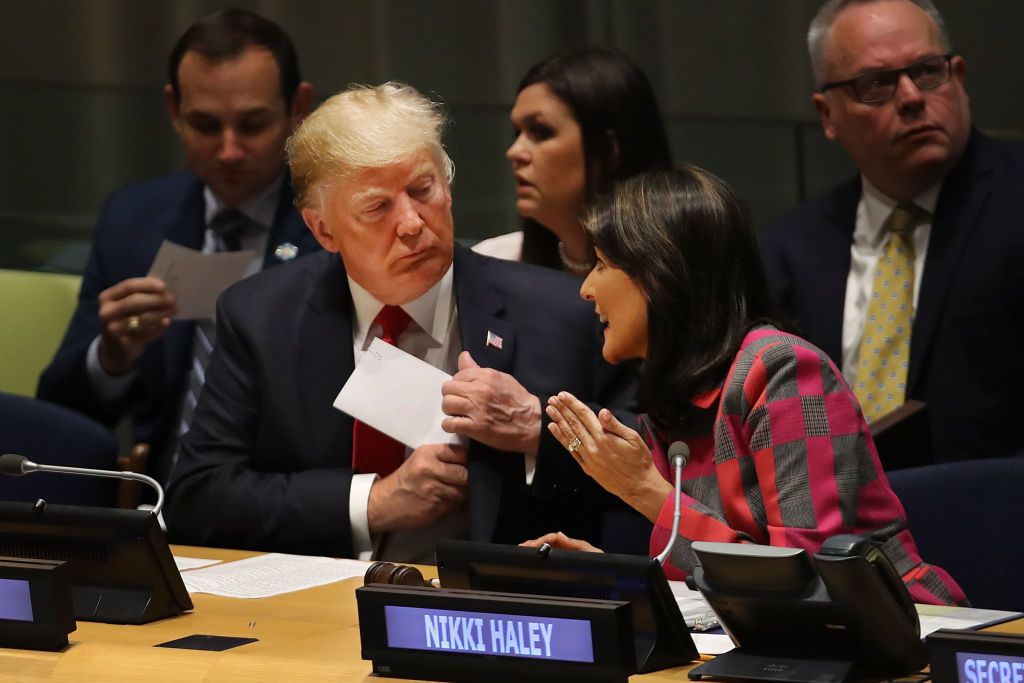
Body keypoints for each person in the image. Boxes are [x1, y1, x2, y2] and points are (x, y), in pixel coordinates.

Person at [164, 82, 638, 562]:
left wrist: (538, 428)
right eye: (377, 207)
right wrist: (371, 502)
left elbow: (662, 475)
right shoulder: (262, 316)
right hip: (316, 610)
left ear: (447, 187)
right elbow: (198, 496)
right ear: (323, 229)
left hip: (492, 611)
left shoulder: (563, 313)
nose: (412, 223)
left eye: (422, 189)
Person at [525, 167, 966, 606]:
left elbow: (809, 585)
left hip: (905, 641)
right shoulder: (676, 394)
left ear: (660, 272)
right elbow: (708, 581)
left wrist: (648, 493)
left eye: (602, 265)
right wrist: (612, 577)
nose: (586, 289)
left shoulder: (783, 371)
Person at [37, 9, 317, 484]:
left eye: (252, 125)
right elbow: (59, 418)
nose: (229, 150)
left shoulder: (334, 229)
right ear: (174, 110)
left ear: (298, 108)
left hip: (285, 507)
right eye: (206, 126)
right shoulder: (134, 218)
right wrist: (112, 356)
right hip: (155, 498)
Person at [759, 0, 1024, 462]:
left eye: (927, 71)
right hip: (830, 527)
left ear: (958, 78)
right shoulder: (788, 250)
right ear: (827, 115)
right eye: (876, 83)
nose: (911, 96)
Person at [473, 47, 673, 274]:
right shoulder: (493, 264)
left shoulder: (689, 272)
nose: (514, 152)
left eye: (540, 131)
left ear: (608, 149)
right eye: (516, 133)